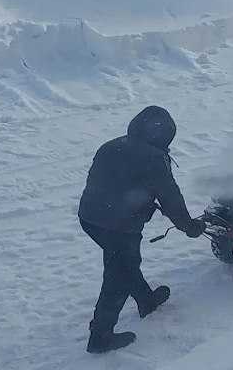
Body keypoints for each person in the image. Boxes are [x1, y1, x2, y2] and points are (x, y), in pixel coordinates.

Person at [78, 105, 206, 354]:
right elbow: (171, 198)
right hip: (119, 226)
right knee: (118, 276)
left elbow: (111, 182)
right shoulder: (154, 158)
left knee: (122, 263)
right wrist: (189, 226)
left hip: (90, 219)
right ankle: (100, 336)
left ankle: (146, 301)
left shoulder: (111, 145)